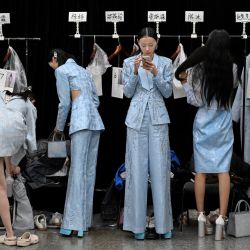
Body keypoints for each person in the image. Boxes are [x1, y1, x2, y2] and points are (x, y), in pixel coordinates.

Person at [175, 29, 239, 241]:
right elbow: (231, 93)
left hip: (203, 122)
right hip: (222, 123)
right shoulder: (233, 68)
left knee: (200, 172)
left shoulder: (199, 69)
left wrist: (184, 83)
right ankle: (222, 217)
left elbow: (195, 101)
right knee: (223, 172)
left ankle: (201, 216)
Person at [122, 27, 173, 240]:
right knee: (136, 170)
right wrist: (135, 72)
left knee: (161, 170)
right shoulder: (128, 63)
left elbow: (168, 92)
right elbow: (127, 92)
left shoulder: (166, 63)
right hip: (136, 119)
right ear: (138, 44)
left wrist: (156, 73)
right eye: (143, 45)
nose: (147, 48)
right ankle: (137, 226)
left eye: (151, 44)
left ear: (157, 43)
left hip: (159, 118)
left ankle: (163, 226)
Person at [48, 48, 104, 237]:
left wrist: (59, 127)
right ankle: (85, 222)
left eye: (51, 63)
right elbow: (96, 100)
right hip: (95, 122)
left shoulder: (61, 71)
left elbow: (64, 103)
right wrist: (83, 110)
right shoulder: (84, 71)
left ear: (55, 59)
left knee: (77, 171)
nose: (51, 67)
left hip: (80, 123)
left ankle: (73, 223)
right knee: (89, 170)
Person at [0, 47, 37, 246]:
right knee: (2, 185)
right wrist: (30, 153)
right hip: (10, 139)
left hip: (4, 136)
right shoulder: (26, 104)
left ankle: (10, 234)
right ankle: (12, 233)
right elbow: (28, 134)